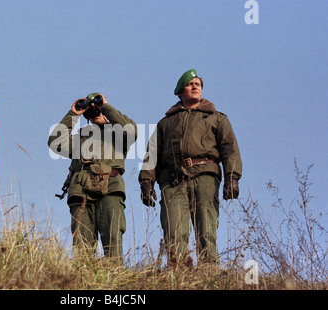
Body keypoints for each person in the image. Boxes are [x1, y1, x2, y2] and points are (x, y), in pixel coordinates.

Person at [138, 69, 242, 266]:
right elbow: (151, 154)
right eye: (190, 84)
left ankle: (209, 272)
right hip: (173, 180)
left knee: (207, 228)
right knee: (174, 230)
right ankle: (178, 275)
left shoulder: (216, 118)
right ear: (180, 91)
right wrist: (146, 181)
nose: (196, 87)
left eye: (198, 85)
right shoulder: (165, 123)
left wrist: (232, 176)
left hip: (205, 176)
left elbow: (229, 148)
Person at [48, 92, 137, 262]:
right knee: (82, 246)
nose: (94, 114)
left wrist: (106, 107)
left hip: (110, 188)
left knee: (113, 243)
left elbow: (131, 131)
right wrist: (73, 114)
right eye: (91, 112)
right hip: (81, 190)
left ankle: (114, 282)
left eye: (96, 110)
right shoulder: (80, 137)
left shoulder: (119, 134)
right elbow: (55, 142)